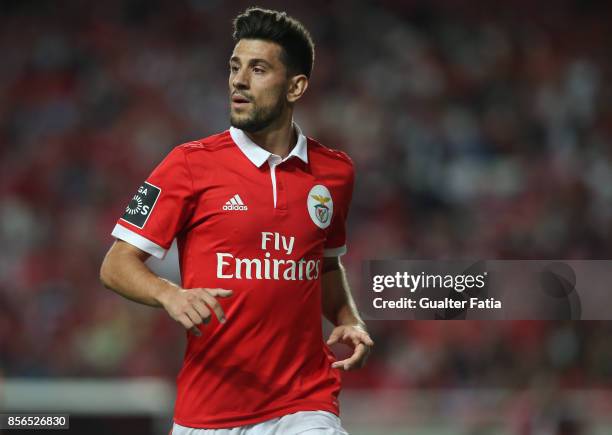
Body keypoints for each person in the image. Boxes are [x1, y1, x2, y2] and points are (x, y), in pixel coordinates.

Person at [100, 7, 372, 435]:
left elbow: (325, 263)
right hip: (208, 411)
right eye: (234, 67)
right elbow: (116, 264)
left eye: (258, 69)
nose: (238, 81)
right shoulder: (187, 164)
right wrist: (170, 295)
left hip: (305, 402)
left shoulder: (336, 173)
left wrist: (348, 317)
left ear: (295, 86)